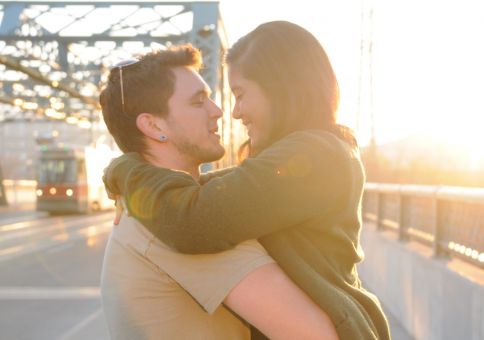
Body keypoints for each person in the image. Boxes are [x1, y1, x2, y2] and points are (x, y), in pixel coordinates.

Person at [99, 45, 338, 339]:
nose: (219, 111)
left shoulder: (151, 207)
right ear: (154, 125)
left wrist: (121, 170)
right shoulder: (175, 222)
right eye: (199, 102)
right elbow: (315, 334)